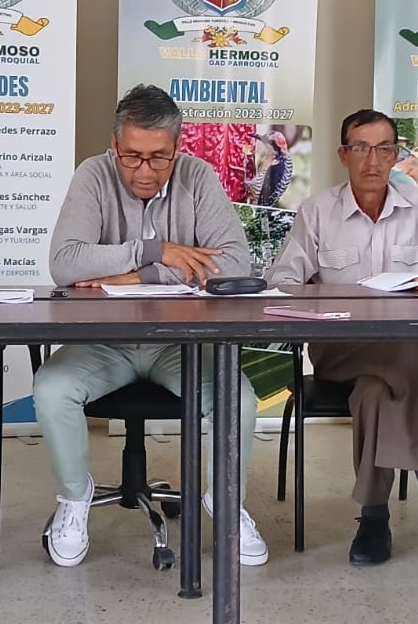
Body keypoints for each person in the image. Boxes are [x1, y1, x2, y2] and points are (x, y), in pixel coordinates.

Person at [36, 84, 269, 568]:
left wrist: (133, 275)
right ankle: (75, 499)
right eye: (132, 156)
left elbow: (234, 265)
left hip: (181, 344)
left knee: (240, 398)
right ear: (114, 145)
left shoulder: (198, 177)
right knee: (52, 388)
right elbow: (65, 264)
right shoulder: (93, 174)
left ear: (177, 148)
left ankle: (226, 501)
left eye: (158, 158)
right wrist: (157, 251)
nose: (144, 171)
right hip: (106, 343)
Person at [266, 108, 418, 565]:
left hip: (406, 349)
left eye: (384, 149)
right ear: (343, 154)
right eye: (361, 148)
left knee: (375, 389)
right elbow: (283, 283)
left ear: (395, 154)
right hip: (338, 349)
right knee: (396, 360)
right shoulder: (317, 212)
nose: (373, 160)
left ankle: (374, 518)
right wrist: (325, 299)